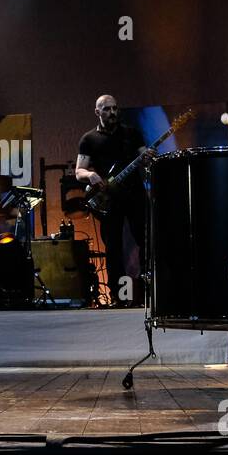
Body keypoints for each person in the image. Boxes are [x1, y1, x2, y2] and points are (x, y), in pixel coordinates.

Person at [75, 95, 152, 306]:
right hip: (109, 198)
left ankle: (149, 294)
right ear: (97, 112)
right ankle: (118, 297)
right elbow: (78, 171)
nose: (112, 113)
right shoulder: (88, 139)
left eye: (115, 108)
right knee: (113, 247)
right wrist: (90, 175)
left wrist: (148, 159)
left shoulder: (131, 133)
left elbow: (145, 158)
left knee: (146, 241)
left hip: (134, 194)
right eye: (107, 109)